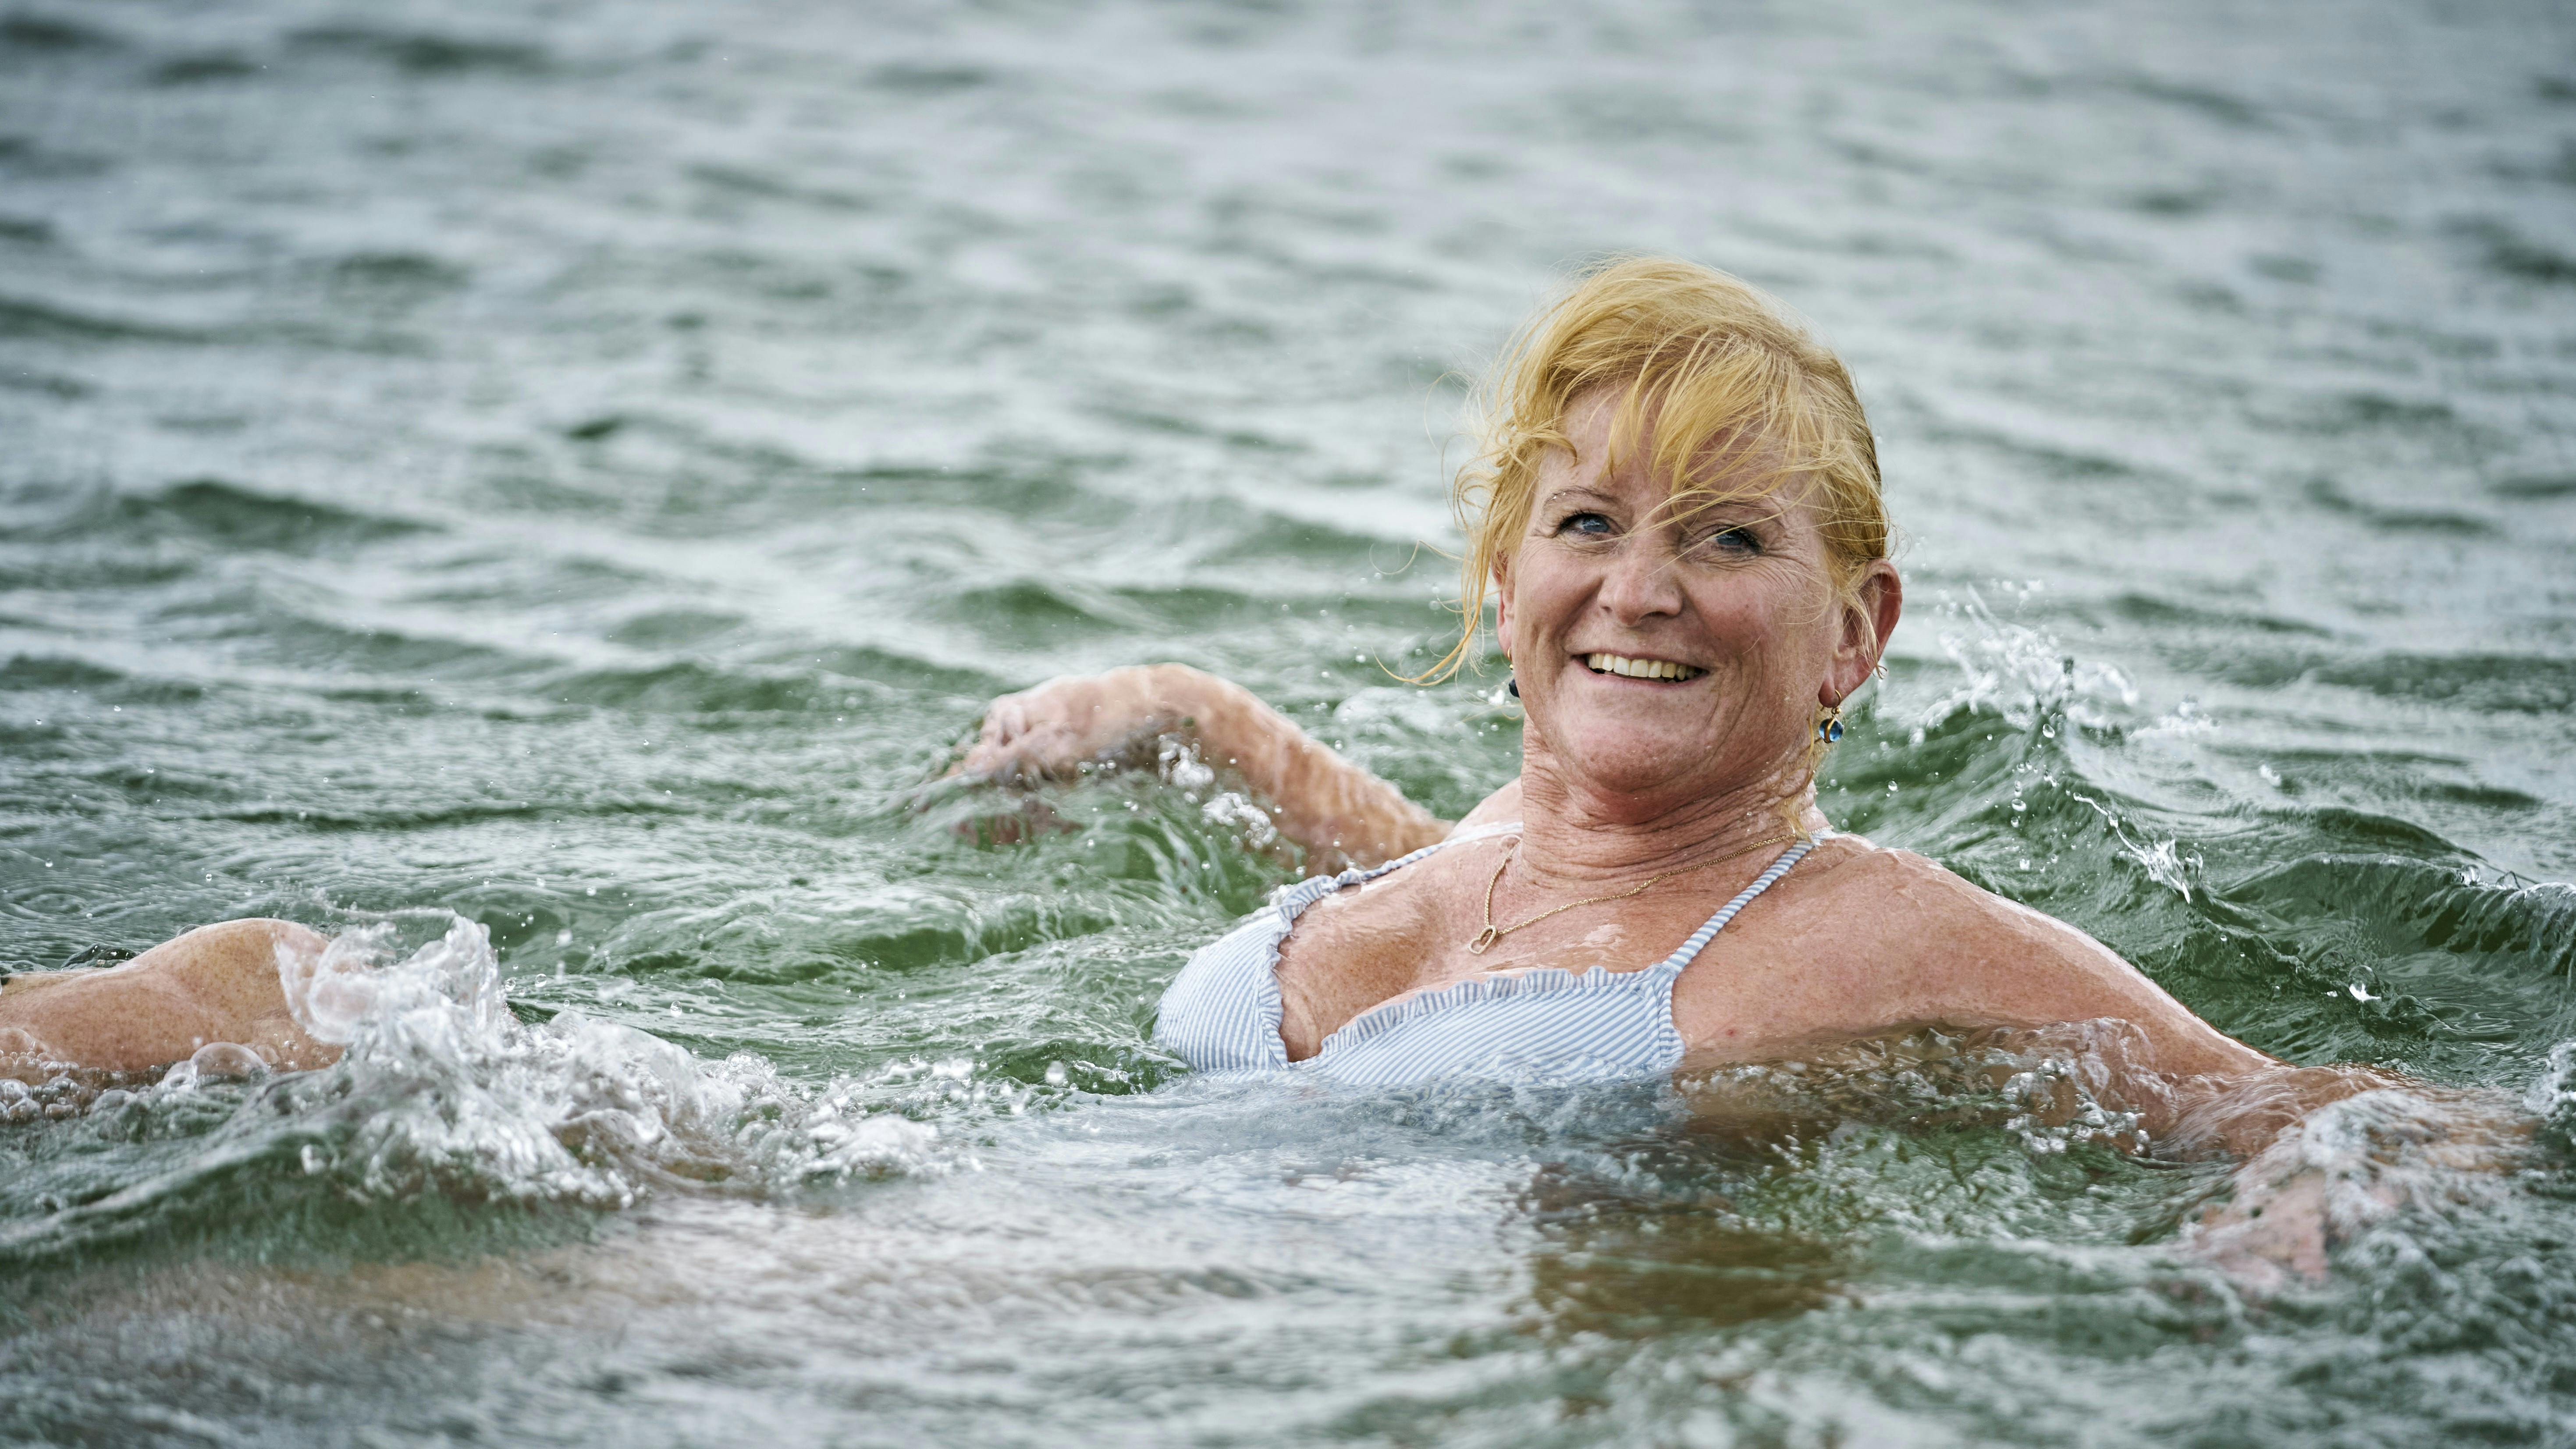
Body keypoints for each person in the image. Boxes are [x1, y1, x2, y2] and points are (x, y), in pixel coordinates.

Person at [0, 257, 2516, 1280]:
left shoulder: (1866, 933)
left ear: (1852, 634)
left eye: (1728, 538)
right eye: (1587, 521)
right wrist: (1182, 709)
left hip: (1088, 1329)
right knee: (277, 995)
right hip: (949, 1194)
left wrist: (2306, 1197)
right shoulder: (1482, 869)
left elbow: (2339, 1095)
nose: (1642, 585)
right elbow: (1414, 870)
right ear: (1504, 578)